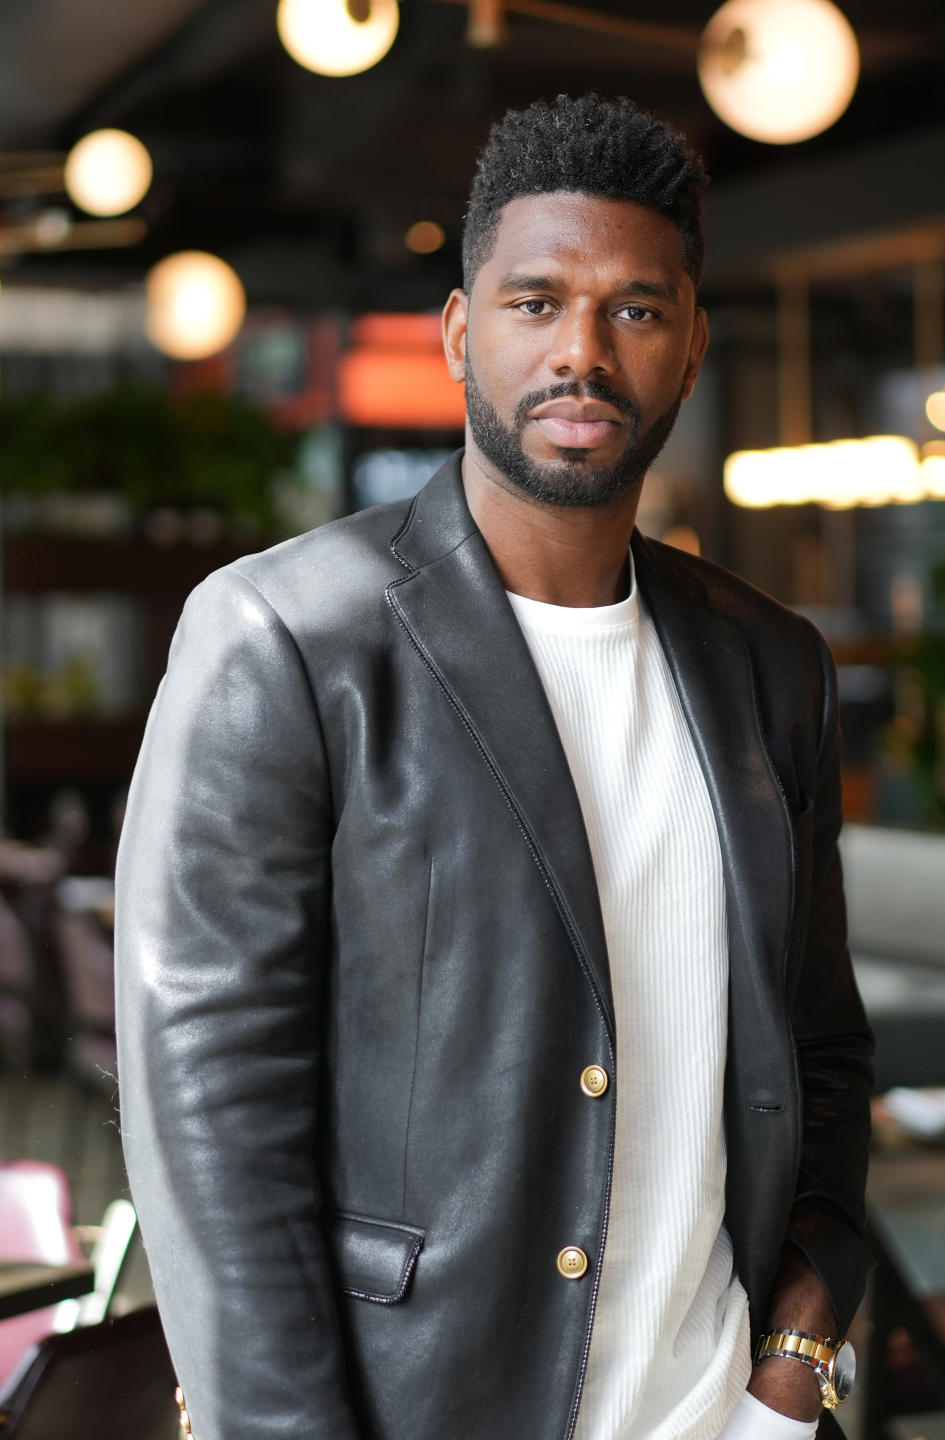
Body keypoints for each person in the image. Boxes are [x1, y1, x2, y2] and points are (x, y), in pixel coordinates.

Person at [115, 93, 873, 1440]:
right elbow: (212, 1127)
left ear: (693, 346)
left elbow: (818, 1055)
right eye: (535, 303)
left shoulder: (772, 668)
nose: (581, 352)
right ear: (463, 332)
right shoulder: (288, 638)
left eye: (635, 311)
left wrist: (794, 1366)